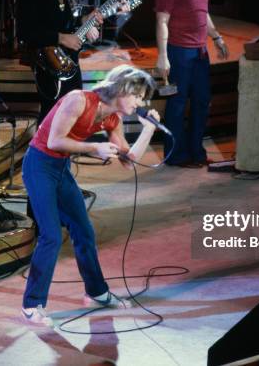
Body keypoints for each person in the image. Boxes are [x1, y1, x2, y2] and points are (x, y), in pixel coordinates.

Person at [21, 64, 160, 326]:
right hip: (39, 165)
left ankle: (96, 292)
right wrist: (93, 148)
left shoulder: (112, 119)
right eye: (137, 95)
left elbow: (129, 161)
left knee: (84, 231)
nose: (140, 102)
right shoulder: (78, 100)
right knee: (50, 235)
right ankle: (32, 304)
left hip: (60, 168)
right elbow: (54, 141)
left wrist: (148, 129)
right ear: (122, 89)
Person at [154, 0, 229, 168]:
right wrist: (162, 55)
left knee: (202, 101)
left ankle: (197, 153)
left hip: (200, 52)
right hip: (179, 52)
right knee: (177, 104)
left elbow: (203, 13)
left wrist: (216, 37)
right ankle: (176, 156)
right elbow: (161, 21)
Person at [17, 0, 102, 124]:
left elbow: (64, 24)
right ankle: (44, 149)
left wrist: (85, 20)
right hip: (48, 64)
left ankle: (65, 148)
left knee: (72, 108)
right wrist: (61, 38)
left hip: (67, 60)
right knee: (53, 112)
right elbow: (26, 33)